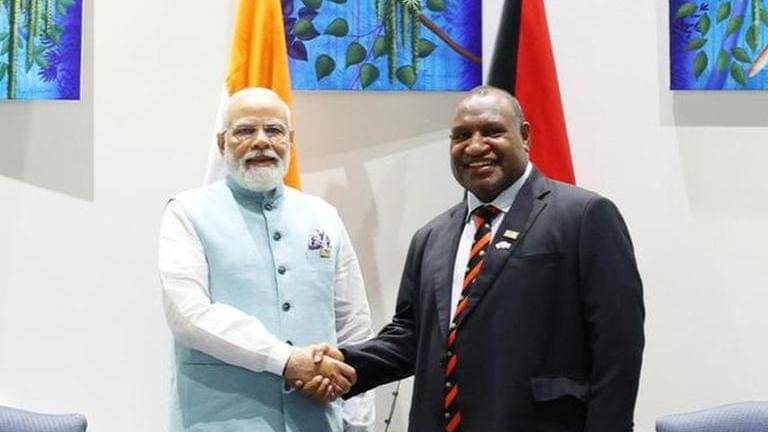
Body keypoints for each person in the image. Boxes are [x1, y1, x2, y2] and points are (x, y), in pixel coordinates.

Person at [300, 86, 645, 431]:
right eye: (462, 135)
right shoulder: (431, 237)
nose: (476, 146)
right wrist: (343, 364)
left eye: (492, 131)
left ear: (525, 136)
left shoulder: (583, 216)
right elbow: (411, 337)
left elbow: (618, 345)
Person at [159, 87, 375, 432]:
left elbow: (353, 325)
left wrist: (357, 423)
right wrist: (286, 360)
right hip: (219, 421)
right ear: (222, 143)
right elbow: (188, 314)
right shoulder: (187, 213)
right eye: (245, 131)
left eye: (273, 130)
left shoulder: (324, 217)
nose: (261, 141)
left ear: (290, 141)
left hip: (316, 421)